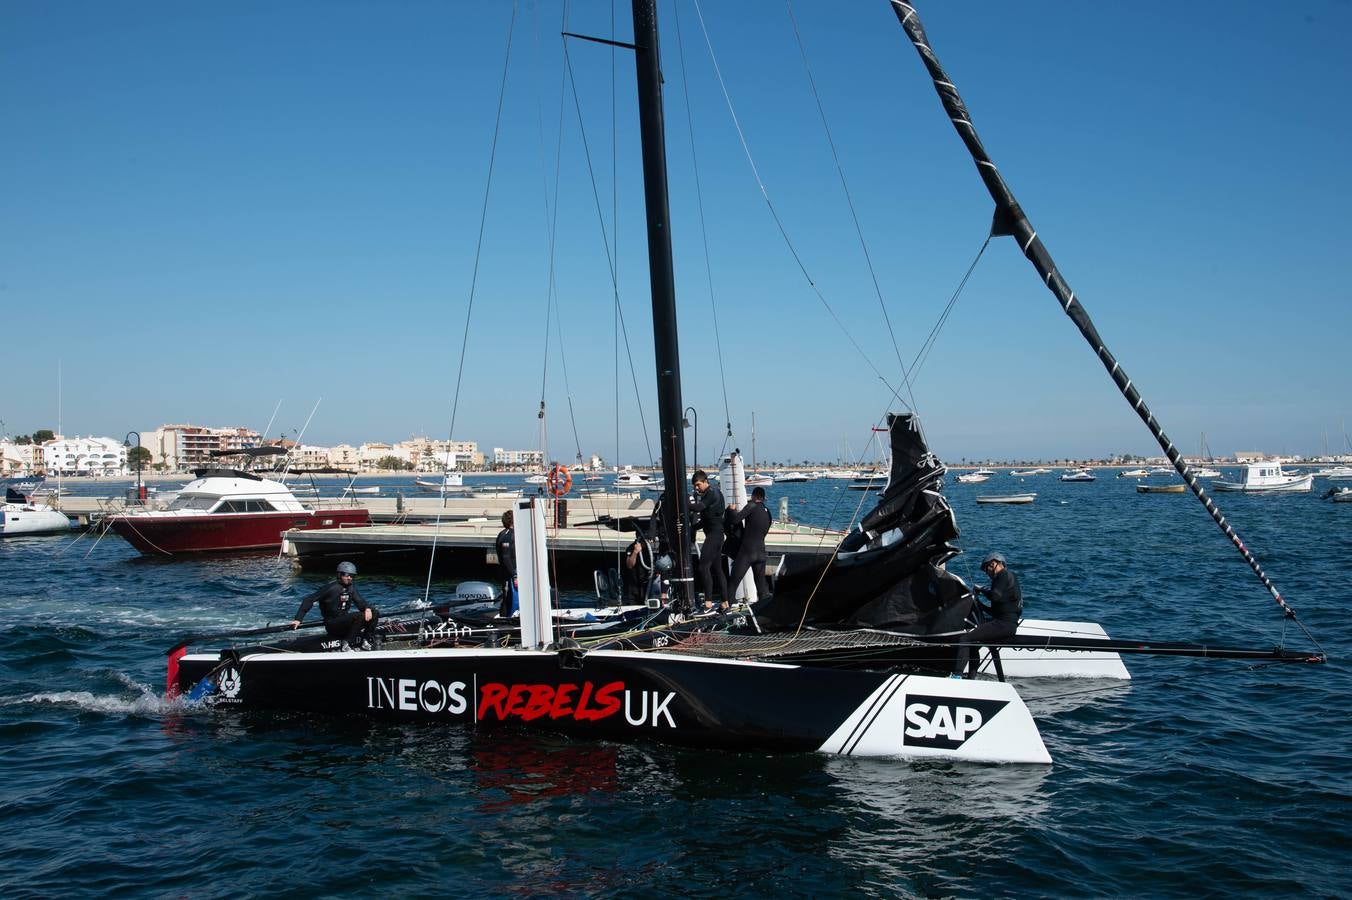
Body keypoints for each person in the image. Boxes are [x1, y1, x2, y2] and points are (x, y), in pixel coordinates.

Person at [951, 551, 1022, 678]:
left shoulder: (1003, 575)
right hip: (1007, 624)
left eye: (986, 569)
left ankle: (957, 676)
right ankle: (971, 678)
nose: (986, 573)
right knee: (973, 644)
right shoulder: (1009, 577)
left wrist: (982, 589)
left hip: (1003, 624)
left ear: (994, 564)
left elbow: (995, 596)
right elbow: (995, 611)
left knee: (965, 639)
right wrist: (979, 604)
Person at [291, 561, 381, 650]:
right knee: (359, 616)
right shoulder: (331, 588)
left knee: (375, 613)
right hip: (332, 624)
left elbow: (360, 602)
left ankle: (366, 640)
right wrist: (298, 619)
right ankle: (347, 644)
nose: (350, 578)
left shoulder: (351, 588)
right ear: (340, 575)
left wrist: (367, 608)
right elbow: (309, 600)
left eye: (352, 576)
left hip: (345, 622)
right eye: (347, 575)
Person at [689, 470, 730, 612]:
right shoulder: (709, 494)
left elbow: (699, 507)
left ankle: (708, 603)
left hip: (715, 536)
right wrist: (693, 527)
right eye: (694, 486)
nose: (696, 488)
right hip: (715, 535)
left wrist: (682, 503)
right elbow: (706, 520)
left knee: (703, 566)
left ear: (705, 481)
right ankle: (725, 602)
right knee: (717, 569)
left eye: (698, 485)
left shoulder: (712, 493)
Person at [727, 486, 772, 604]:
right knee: (761, 587)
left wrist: (732, 510)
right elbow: (765, 530)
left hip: (747, 552)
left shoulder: (751, 505)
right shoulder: (767, 511)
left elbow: (735, 520)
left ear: (753, 496)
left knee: (733, 582)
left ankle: (729, 605)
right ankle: (764, 608)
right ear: (763, 498)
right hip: (761, 552)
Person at [620, 530, 653, 605]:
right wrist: (635, 552)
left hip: (646, 584)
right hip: (634, 585)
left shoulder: (648, 549)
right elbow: (629, 565)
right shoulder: (631, 548)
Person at [496, 510, 517, 618]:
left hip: (510, 572)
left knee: (509, 597)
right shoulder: (507, 535)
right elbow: (506, 557)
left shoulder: (505, 533)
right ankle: (505, 620)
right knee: (508, 597)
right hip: (509, 573)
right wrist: (514, 575)